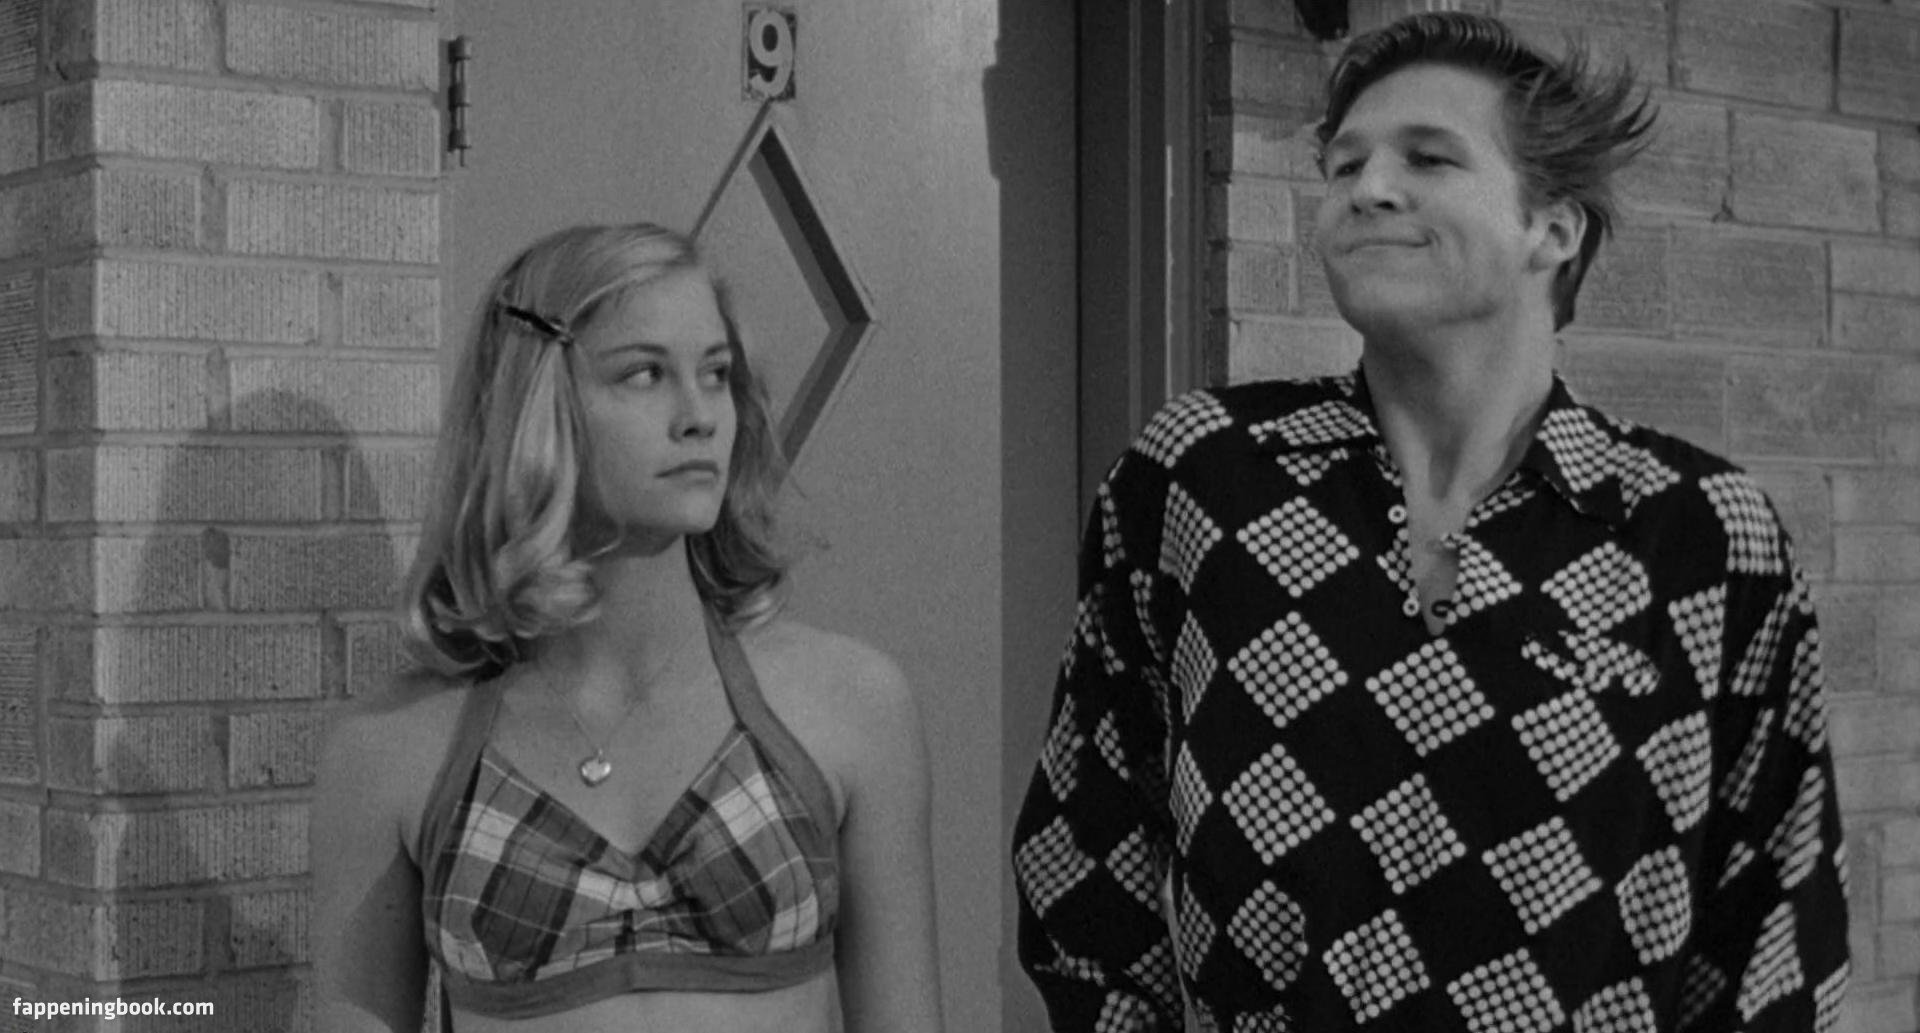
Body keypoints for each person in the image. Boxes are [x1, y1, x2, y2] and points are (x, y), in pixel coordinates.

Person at [1012, 12, 1848, 1033]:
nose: (1367, 188)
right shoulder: (1201, 481)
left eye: (1429, 157)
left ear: (1555, 227)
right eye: (1344, 164)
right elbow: (1086, 853)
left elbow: (1772, 934)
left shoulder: (1700, 537)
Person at [313, 223, 942, 1033]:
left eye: (716, 374)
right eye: (644, 374)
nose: (699, 416)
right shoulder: (394, 749)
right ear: (534, 403)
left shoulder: (848, 705)